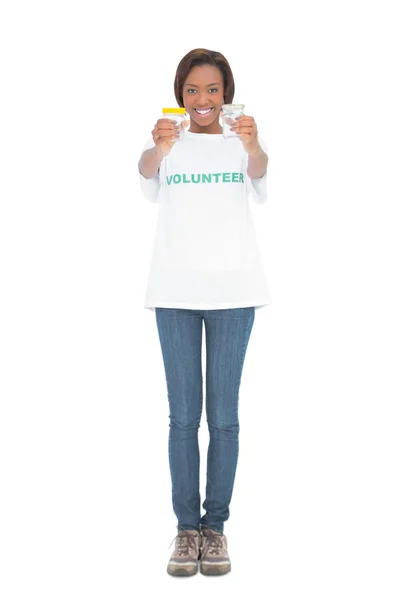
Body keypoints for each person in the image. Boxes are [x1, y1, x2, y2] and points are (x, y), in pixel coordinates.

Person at [138, 48, 272, 577]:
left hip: (235, 294)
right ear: (180, 95)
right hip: (173, 293)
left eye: (212, 89)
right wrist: (156, 146)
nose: (202, 100)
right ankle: (184, 530)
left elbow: (261, 174)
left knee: (225, 418)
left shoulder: (243, 140)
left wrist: (253, 142)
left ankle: (215, 528)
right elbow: (144, 175)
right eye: (192, 90)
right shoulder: (166, 143)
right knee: (183, 418)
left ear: (226, 93)